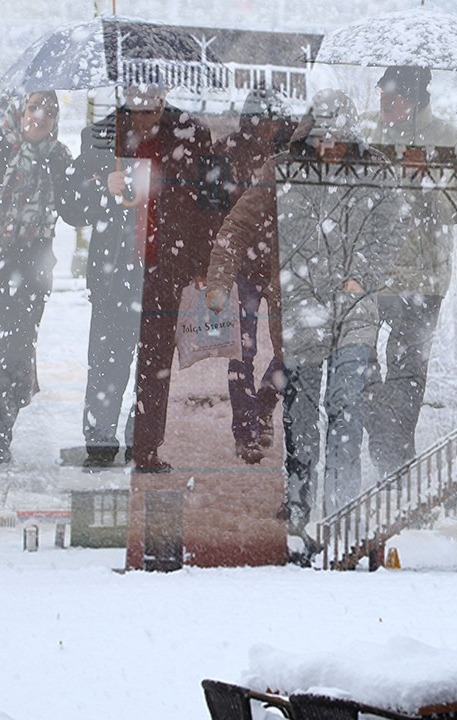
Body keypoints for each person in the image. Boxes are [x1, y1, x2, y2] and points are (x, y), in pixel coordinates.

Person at [210, 89, 406, 557]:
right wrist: (219, 279)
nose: (328, 146)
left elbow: (393, 227)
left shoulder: (374, 170)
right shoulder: (282, 169)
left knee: (345, 407)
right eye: (321, 136)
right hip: (298, 309)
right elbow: (238, 225)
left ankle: (341, 511)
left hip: (354, 307)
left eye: (336, 137)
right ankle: (298, 511)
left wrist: (363, 274)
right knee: (300, 416)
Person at [59, 86, 217, 473]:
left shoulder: (191, 133)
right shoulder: (100, 135)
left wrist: (201, 265)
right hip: (116, 271)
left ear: (164, 93)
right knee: (107, 361)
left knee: (155, 363)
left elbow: (208, 204)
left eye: (153, 105)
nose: (146, 115)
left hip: (165, 269)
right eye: (138, 105)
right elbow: (71, 207)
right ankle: (99, 444)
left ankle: (144, 445)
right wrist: (101, 190)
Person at [0, 91, 73, 468]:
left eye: (49, 112)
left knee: (15, 361)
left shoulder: (58, 158)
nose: (40, 117)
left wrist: (109, 182)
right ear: (18, 110)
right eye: (33, 107)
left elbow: (76, 209)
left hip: (29, 277)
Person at [358, 66, 457, 477]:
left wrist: (427, 176)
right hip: (369, 273)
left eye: (396, 95)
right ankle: (388, 447)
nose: (386, 101)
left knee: (407, 372)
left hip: (422, 278)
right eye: (383, 92)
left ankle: (393, 461)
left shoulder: (447, 138)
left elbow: (456, 211)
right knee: (359, 366)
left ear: (417, 99)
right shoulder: (366, 134)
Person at [206, 88, 292, 464]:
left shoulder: (291, 159)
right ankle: (245, 429)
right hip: (241, 265)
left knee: (288, 351)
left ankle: (264, 404)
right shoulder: (226, 153)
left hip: (282, 265)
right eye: (262, 119)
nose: (267, 127)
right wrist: (213, 269)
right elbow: (213, 211)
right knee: (241, 351)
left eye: (274, 120)